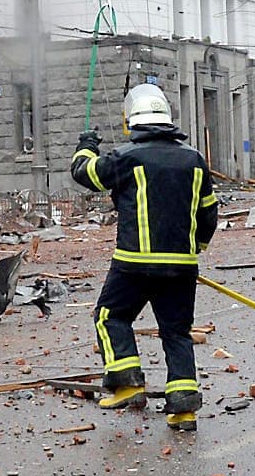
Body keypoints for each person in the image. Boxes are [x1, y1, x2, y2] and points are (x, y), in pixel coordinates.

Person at [71, 85, 219, 431]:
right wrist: (196, 247)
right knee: (177, 332)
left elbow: (85, 173)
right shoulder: (194, 160)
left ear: (131, 122)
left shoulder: (127, 158)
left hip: (133, 263)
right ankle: (183, 408)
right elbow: (209, 214)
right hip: (181, 266)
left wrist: (87, 145)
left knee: (110, 316)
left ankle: (127, 383)